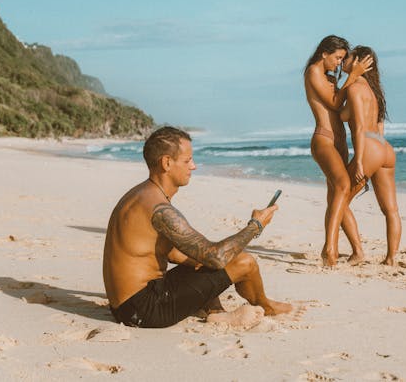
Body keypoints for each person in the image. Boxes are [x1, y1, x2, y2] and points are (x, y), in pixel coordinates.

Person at [103, 126, 291, 328]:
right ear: (167, 163)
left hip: (124, 306)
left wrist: (202, 263)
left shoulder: (140, 195)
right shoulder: (161, 210)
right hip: (144, 310)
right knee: (244, 262)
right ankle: (266, 306)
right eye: (187, 160)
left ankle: (215, 311)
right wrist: (255, 226)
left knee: (199, 260)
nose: (193, 166)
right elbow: (216, 257)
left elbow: (173, 254)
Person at [304, 35, 373, 266]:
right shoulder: (313, 71)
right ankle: (329, 249)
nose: (338, 63)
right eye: (337, 57)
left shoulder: (329, 76)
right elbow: (334, 104)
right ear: (324, 53)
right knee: (344, 186)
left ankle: (358, 252)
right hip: (324, 140)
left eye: (343, 58)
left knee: (336, 197)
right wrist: (353, 76)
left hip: (340, 143)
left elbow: (343, 109)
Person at [340, 46, 402, 265]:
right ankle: (391, 258)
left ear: (357, 61)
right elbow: (379, 125)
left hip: (368, 148)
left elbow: (356, 128)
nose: (342, 61)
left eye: (346, 58)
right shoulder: (375, 91)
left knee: (339, 201)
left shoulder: (355, 88)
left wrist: (359, 161)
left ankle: (358, 252)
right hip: (384, 147)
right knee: (391, 209)